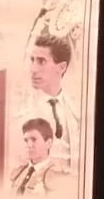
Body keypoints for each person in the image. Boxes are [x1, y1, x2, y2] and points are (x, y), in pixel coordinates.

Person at [25, 33, 81, 175]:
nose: (33, 69)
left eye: (41, 61)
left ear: (61, 68)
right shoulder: (23, 110)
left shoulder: (76, 110)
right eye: (32, 60)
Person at [8, 118, 63, 196]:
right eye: (26, 140)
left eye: (34, 140)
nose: (29, 145)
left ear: (48, 143)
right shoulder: (18, 172)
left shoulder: (56, 176)